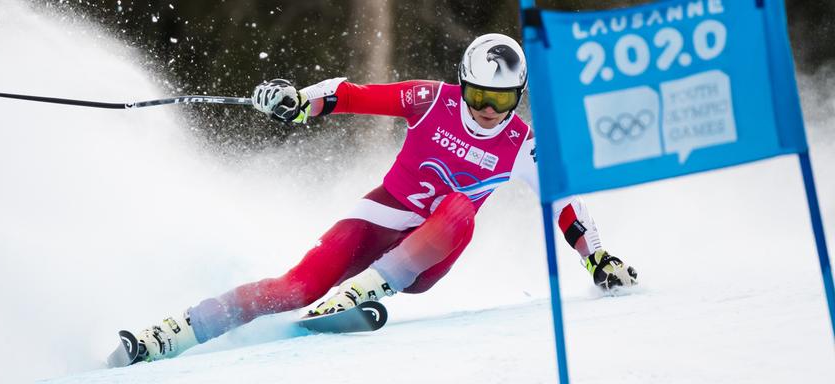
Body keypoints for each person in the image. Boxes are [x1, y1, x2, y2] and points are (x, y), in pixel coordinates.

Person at [129, 33, 637, 362]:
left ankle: (369, 289)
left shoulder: (521, 143)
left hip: (427, 254)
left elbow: (565, 203)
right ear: (462, 85)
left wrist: (598, 259)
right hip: (378, 217)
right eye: (478, 95)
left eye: (500, 99)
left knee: (460, 206)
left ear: (517, 93)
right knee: (295, 286)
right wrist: (297, 102)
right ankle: (174, 332)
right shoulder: (430, 99)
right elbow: (349, 94)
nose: (486, 110)